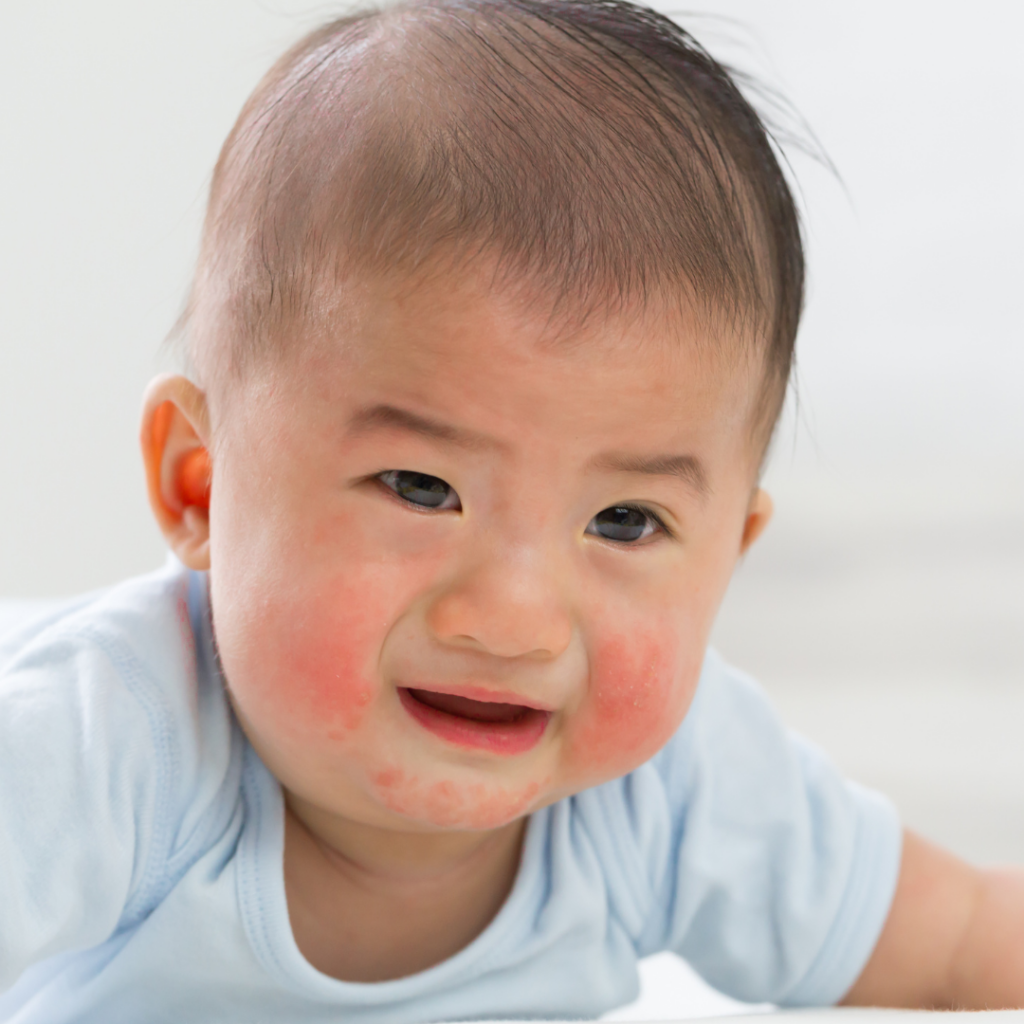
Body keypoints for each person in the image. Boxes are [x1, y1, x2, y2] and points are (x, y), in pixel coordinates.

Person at [1, 1, 1021, 1020]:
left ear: (727, 553)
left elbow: (964, 941)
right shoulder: (101, 743)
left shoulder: (676, 790)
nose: (511, 618)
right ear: (200, 485)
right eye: (420, 488)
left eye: (624, 521)